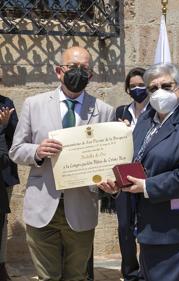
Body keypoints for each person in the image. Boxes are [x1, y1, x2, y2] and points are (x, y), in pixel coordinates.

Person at [98, 63, 179, 281]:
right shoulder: (145, 121)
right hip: (147, 228)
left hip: (177, 231)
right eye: (153, 88)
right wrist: (117, 186)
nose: (159, 92)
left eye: (166, 85)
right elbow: (134, 162)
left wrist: (147, 186)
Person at [9, 46, 115, 281]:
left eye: (84, 69)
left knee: (76, 275)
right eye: (73, 67)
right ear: (59, 71)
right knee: (47, 276)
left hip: (80, 207)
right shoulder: (33, 104)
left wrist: (110, 181)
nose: (78, 73)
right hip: (42, 205)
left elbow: (109, 159)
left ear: (91, 76)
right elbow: (16, 150)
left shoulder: (104, 111)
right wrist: (37, 150)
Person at [115, 67, 149, 281]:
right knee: (124, 225)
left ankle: (147, 269)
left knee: (147, 223)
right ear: (128, 89)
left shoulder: (155, 112)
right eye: (133, 85)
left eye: (141, 85)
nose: (138, 89)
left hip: (147, 176)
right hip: (125, 175)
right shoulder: (121, 111)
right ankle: (130, 271)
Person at [0, 97, 19, 281]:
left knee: (2, 220)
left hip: (4, 173)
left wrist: (6, 124)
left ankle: (1, 264)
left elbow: (17, 138)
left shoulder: (6, 103)